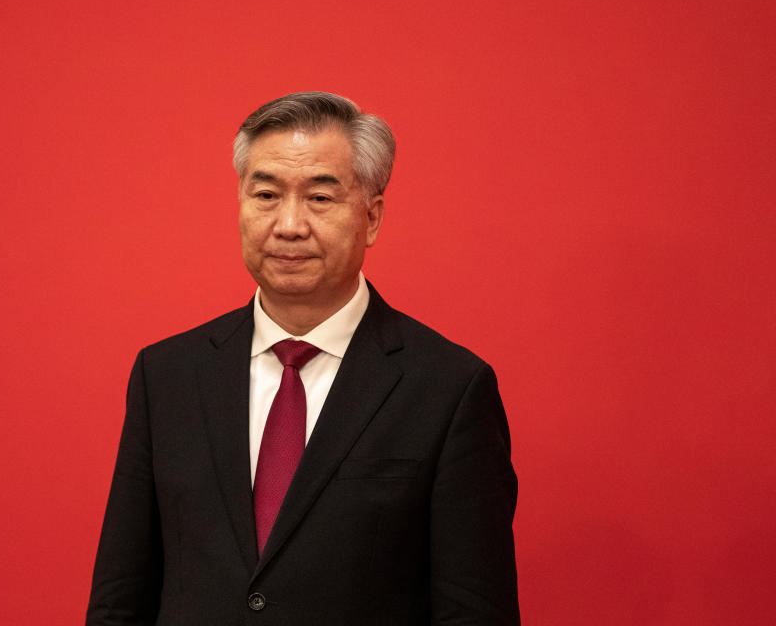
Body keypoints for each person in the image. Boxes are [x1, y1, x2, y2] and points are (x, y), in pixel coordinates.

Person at [86, 92, 520, 625]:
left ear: (373, 217)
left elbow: (475, 612)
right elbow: (120, 597)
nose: (288, 225)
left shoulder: (449, 389)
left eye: (319, 198)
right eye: (266, 194)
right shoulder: (167, 375)